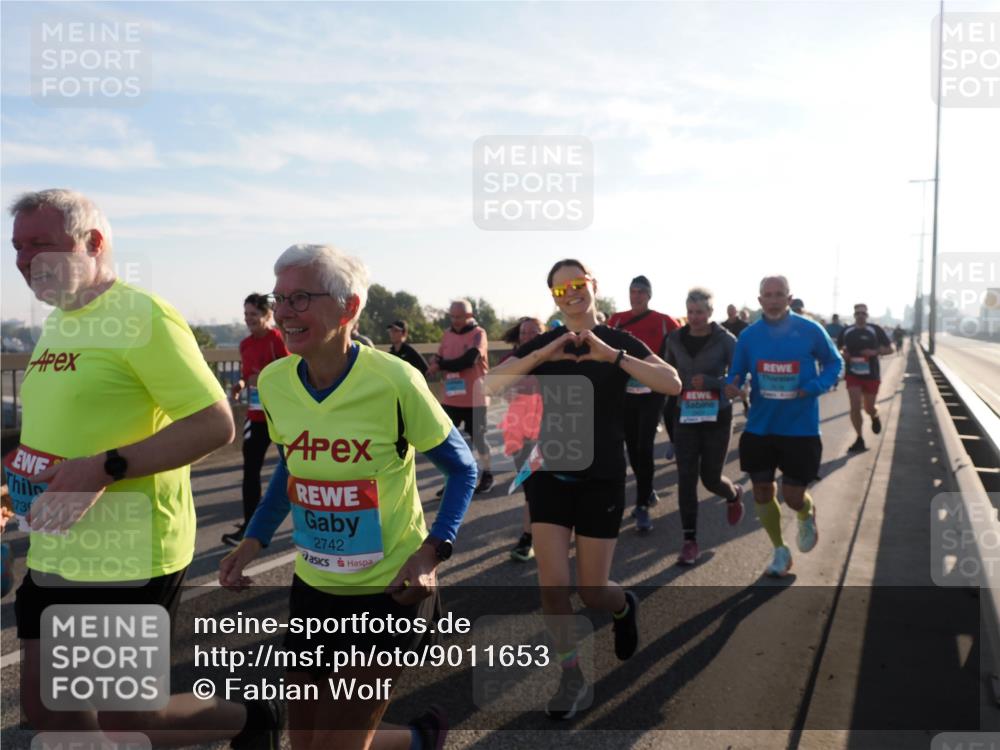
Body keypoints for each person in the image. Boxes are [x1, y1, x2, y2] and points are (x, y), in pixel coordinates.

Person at [6, 190, 281, 747]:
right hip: (54, 542)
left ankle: (250, 719)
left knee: (126, 720)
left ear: (94, 243)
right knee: (46, 705)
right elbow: (58, 428)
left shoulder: (141, 315)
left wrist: (104, 468)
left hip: (126, 553)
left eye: (40, 245)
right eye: (16, 248)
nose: (23, 261)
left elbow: (213, 422)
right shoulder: (59, 322)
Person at [220, 243, 477, 750]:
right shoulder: (274, 382)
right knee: (307, 743)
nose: (285, 313)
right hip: (314, 590)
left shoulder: (394, 380)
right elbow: (292, 469)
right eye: (280, 299)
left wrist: (431, 554)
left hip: (389, 594)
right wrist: (253, 540)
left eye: (301, 298)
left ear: (350, 308)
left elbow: (463, 469)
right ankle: (421, 739)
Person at [487, 259, 681, 719]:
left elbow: (670, 384)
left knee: (593, 590)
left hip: (602, 475)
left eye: (577, 284)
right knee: (553, 586)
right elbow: (488, 388)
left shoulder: (617, 340)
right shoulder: (545, 342)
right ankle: (570, 675)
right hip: (549, 472)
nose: (570, 293)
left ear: (592, 285)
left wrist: (609, 356)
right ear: (553, 296)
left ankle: (622, 605)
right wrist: (541, 355)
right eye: (560, 289)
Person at [724, 275, 842, 578]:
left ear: (789, 299)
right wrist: (732, 385)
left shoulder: (809, 330)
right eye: (768, 294)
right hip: (760, 427)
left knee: (792, 496)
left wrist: (815, 386)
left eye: (779, 294)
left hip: (800, 428)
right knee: (762, 492)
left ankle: (805, 512)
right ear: (760, 299)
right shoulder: (749, 337)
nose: (774, 300)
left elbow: (835, 363)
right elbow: (735, 372)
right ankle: (779, 549)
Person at [663, 288, 743, 565]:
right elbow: (667, 374)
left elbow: (739, 378)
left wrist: (713, 383)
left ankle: (733, 494)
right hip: (685, 416)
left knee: (710, 479)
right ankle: (689, 541)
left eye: (700, 312)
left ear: (710, 313)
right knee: (686, 478)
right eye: (691, 312)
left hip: (717, 417)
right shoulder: (674, 338)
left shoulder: (726, 340)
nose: (694, 318)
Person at [606, 275, 679, 532]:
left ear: (649, 295)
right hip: (624, 393)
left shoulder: (662, 320)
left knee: (645, 445)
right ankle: (647, 490)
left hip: (652, 391)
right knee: (633, 447)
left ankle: (642, 506)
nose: (635, 295)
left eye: (640, 292)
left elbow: (681, 342)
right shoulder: (615, 320)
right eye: (632, 291)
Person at [223, 293, 289, 547]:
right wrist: (240, 385)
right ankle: (250, 526)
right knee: (250, 469)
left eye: (254, 314)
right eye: (246, 315)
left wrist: (268, 377)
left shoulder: (278, 341)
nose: (249, 319)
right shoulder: (245, 344)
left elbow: (295, 370)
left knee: (295, 467)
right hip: (256, 414)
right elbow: (245, 374)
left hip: (282, 415)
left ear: (267, 315)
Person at [427, 300, 493, 493]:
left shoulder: (478, 334)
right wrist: (435, 362)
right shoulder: (447, 334)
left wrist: (442, 365)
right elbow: (440, 357)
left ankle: (487, 474)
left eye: (459, 317)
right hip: (451, 398)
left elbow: (469, 360)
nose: (455, 320)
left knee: (479, 439)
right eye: (452, 316)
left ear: (469, 316)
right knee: (445, 440)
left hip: (475, 398)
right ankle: (453, 479)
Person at [498, 317, 545, 561]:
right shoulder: (511, 361)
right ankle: (532, 536)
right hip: (519, 432)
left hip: (549, 433)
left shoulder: (551, 359)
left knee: (541, 487)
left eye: (534, 332)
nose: (528, 336)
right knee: (530, 487)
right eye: (524, 332)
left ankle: (530, 537)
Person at [837, 304, 894, 453]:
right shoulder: (847, 331)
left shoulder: (875, 330)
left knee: (869, 408)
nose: (860, 316)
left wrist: (874, 352)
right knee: (855, 406)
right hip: (853, 374)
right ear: (854, 315)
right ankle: (859, 438)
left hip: (871, 374)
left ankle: (874, 416)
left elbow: (890, 349)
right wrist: (844, 354)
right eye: (857, 313)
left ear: (867, 315)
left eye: (863, 313)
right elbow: (838, 349)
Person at [824, 314, 846, 391]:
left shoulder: (841, 328)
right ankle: (827, 382)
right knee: (825, 365)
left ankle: (835, 383)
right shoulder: (828, 327)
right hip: (828, 347)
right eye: (834, 319)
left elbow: (843, 339)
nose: (835, 320)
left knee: (837, 365)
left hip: (837, 348)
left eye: (836, 319)